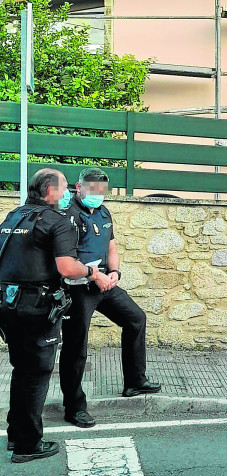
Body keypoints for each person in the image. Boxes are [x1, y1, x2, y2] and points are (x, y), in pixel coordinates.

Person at [0, 169, 111, 463]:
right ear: (50, 191)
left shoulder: (14, 217)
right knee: (36, 374)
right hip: (37, 308)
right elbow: (67, 267)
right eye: (63, 189)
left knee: (22, 370)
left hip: (7, 304)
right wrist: (92, 271)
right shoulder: (56, 221)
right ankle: (27, 445)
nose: (67, 196)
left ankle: (16, 436)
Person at [60, 168, 160, 428]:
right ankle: (74, 407)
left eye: (101, 190)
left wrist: (114, 272)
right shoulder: (67, 215)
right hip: (78, 287)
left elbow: (111, 247)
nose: (97, 195)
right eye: (91, 189)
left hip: (105, 283)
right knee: (76, 346)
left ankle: (135, 382)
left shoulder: (104, 213)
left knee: (135, 319)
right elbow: (66, 261)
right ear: (78, 187)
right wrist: (96, 276)